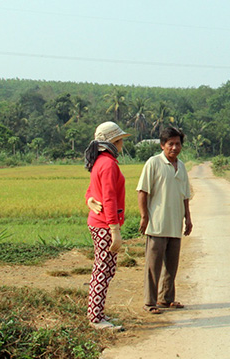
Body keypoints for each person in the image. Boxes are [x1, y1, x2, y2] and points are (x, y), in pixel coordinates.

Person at [137, 126, 193, 314]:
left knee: (171, 265)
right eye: (170, 144)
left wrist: (188, 218)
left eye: (177, 144)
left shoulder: (182, 166)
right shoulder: (153, 163)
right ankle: (149, 302)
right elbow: (143, 191)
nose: (174, 148)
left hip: (175, 224)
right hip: (157, 224)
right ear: (162, 145)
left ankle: (166, 298)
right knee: (153, 266)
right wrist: (144, 216)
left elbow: (185, 195)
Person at [84, 121, 131, 331]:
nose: (122, 144)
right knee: (102, 269)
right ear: (113, 142)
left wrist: (89, 200)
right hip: (104, 225)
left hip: (99, 222)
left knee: (105, 269)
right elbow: (110, 198)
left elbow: (92, 190)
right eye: (120, 140)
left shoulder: (100, 161)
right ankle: (96, 317)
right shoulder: (108, 164)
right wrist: (115, 230)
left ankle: (97, 312)